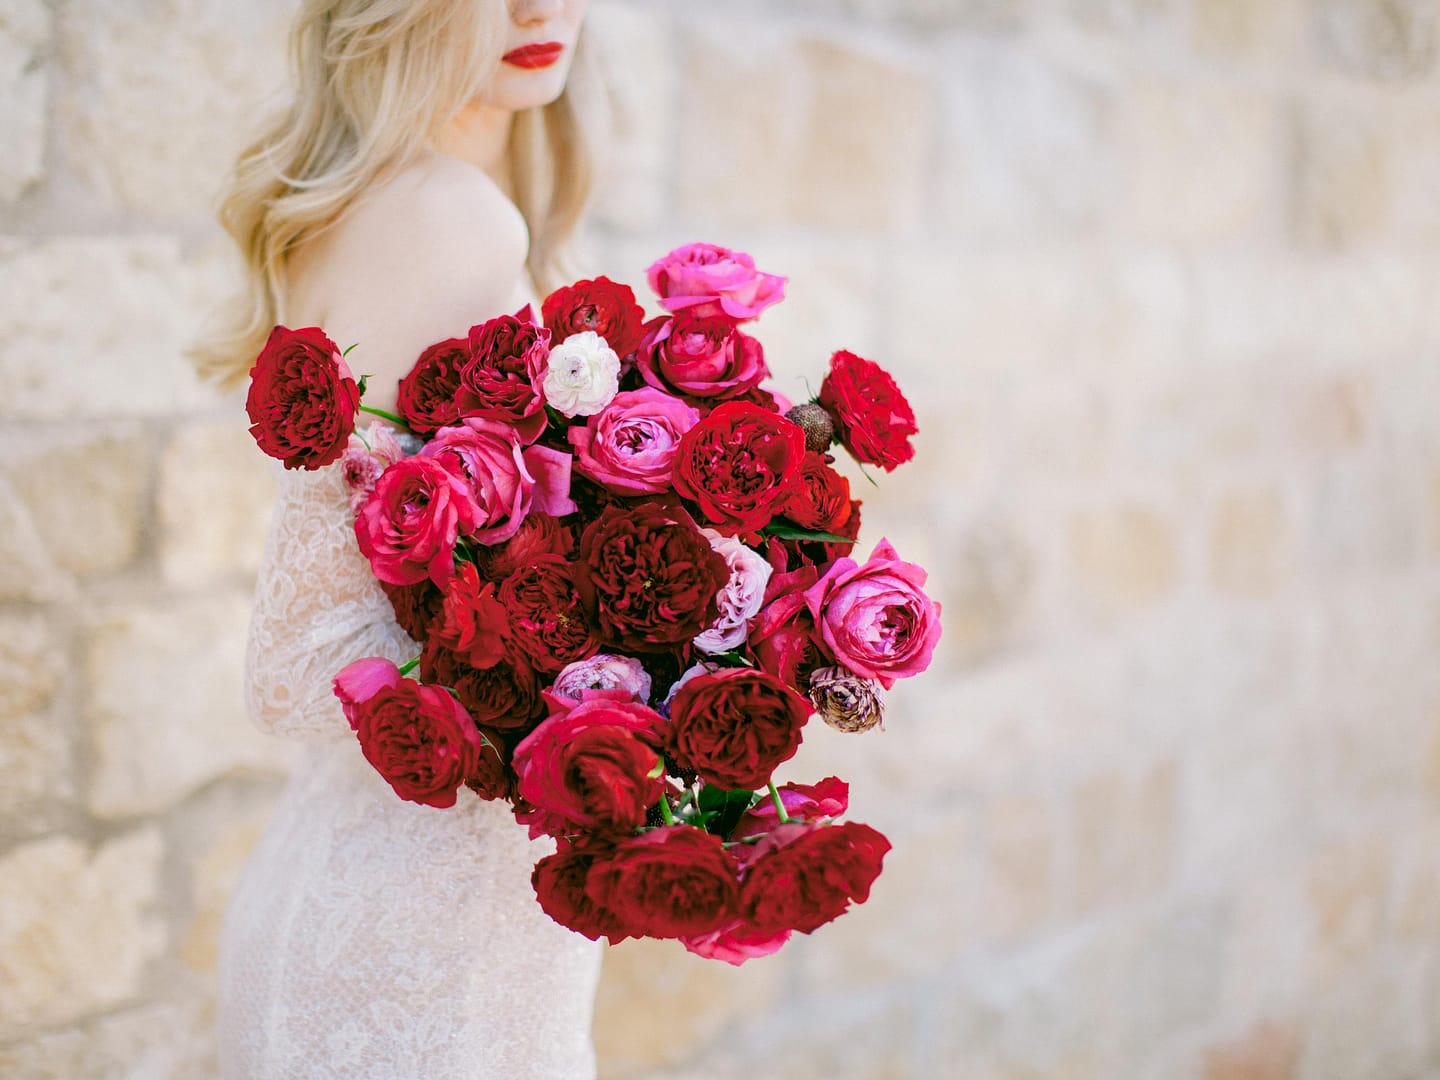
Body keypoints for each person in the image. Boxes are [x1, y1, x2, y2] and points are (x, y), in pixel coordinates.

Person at [191, 2, 604, 1076]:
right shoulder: (443, 217)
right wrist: (612, 657)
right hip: (413, 963)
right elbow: (291, 670)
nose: (538, 9)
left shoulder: (432, 203)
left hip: (455, 930)